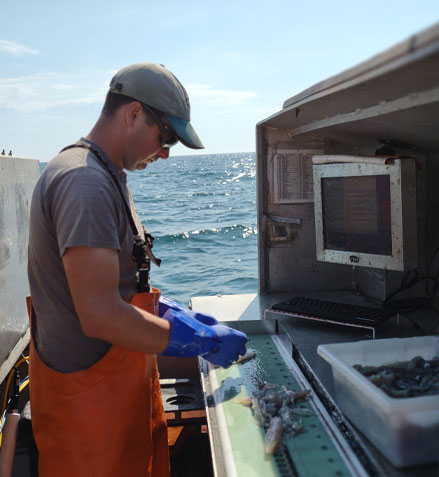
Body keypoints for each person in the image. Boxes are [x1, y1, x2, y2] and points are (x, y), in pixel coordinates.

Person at [27, 63, 248, 477]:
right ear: (132, 114)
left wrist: (170, 313)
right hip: (88, 420)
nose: (165, 153)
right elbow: (100, 314)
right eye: (165, 137)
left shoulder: (107, 176)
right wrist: (196, 340)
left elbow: (117, 287)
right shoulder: (84, 182)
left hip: (113, 401)